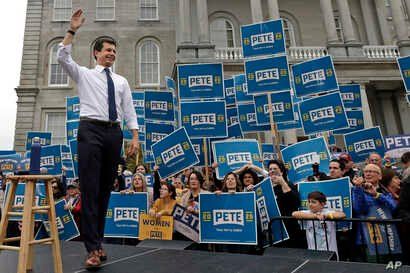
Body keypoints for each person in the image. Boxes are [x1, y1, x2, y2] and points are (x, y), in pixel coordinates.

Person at [57, 9, 139, 269]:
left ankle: (98, 242)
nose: (111, 54)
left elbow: (129, 110)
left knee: (105, 192)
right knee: (90, 191)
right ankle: (91, 248)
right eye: (107, 50)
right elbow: (62, 56)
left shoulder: (122, 81)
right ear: (96, 53)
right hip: (90, 131)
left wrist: (134, 136)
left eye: (114, 51)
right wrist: (72, 29)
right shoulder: (84, 74)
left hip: (114, 133)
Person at [292, 191, 345, 259]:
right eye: (309, 201)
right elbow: (294, 214)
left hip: (330, 254)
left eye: (313, 202)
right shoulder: (307, 213)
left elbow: (342, 215)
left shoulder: (328, 212)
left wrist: (327, 216)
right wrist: (315, 216)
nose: (310, 204)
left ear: (322, 204)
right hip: (313, 254)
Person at [267, 160, 305, 248]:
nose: (272, 170)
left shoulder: (288, 184)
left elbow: (295, 202)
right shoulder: (267, 188)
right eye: (270, 169)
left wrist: (282, 182)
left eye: (275, 168)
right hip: (275, 230)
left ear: (281, 171)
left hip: (290, 229)